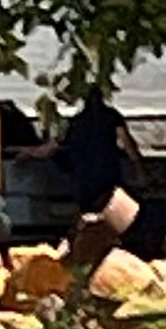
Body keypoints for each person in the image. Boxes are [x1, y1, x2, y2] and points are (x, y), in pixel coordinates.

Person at [52, 91, 144, 262]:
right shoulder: (111, 117)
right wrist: (138, 168)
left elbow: (60, 147)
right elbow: (128, 144)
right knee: (113, 218)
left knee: (87, 218)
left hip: (83, 179)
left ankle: (83, 254)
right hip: (107, 176)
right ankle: (110, 253)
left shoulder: (77, 122)